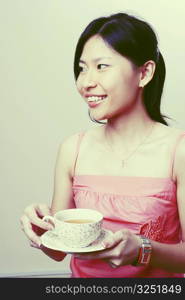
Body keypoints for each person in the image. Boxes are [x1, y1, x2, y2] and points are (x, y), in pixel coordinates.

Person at [20, 12, 185, 278]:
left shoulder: (179, 151)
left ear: (144, 73)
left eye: (101, 66)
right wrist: (41, 229)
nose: (86, 82)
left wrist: (144, 249)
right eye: (82, 68)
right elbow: (59, 250)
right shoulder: (73, 149)